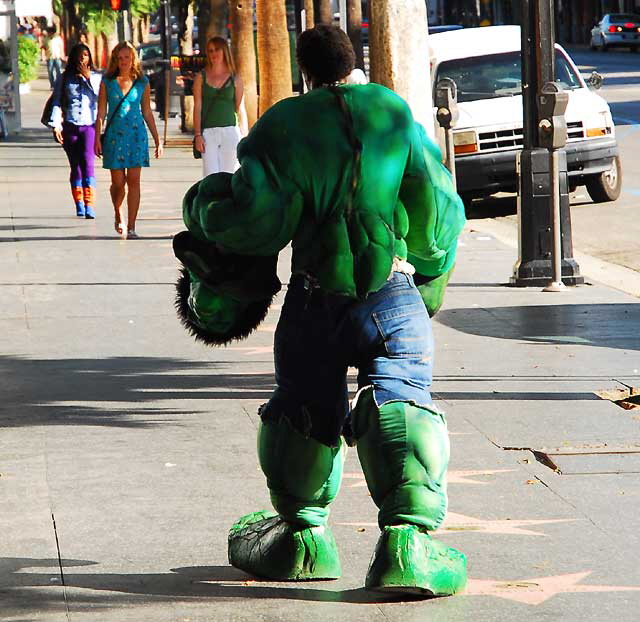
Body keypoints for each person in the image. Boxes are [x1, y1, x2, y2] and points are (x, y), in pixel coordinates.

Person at [174, 24, 467, 596]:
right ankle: (407, 544)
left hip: (314, 298)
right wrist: (427, 278)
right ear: (353, 62)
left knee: (303, 412)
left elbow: (256, 219)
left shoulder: (285, 124)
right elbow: (437, 214)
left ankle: (303, 539)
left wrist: (202, 204)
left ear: (303, 71)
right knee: (403, 401)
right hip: (392, 294)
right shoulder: (391, 112)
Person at [95, 41, 162, 239]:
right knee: (118, 183)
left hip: (136, 136)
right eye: (120, 58)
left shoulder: (142, 82)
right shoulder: (107, 82)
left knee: (134, 181)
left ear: (133, 59)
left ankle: (131, 226)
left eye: (127, 57)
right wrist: (97, 138)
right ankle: (118, 212)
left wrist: (157, 140)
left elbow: (148, 112)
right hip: (114, 137)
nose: (123, 61)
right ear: (115, 60)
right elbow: (101, 112)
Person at [47, 43, 101, 218]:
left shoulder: (96, 77)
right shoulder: (64, 78)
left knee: (88, 162)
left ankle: (90, 204)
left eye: (85, 55)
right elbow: (57, 101)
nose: (82, 58)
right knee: (76, 166)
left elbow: (101, 101)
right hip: (70, 125)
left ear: (90, 58)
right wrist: (56, 125)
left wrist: (88, 78)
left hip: (89, 126)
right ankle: (79, 203)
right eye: (79, 55)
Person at [192, 36, 247, 176]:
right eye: (210, 51)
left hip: (230, 131)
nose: (213, 54)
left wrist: (245, 136)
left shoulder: (235, 78)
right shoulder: (201, 77)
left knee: (229, 174)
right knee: (210, 176)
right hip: (208, 133)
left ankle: (227, 199)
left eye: (217, 50)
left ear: (224, 51)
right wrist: (197, 134)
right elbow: (197, 107)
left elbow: (240, 108)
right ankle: (212, 199)